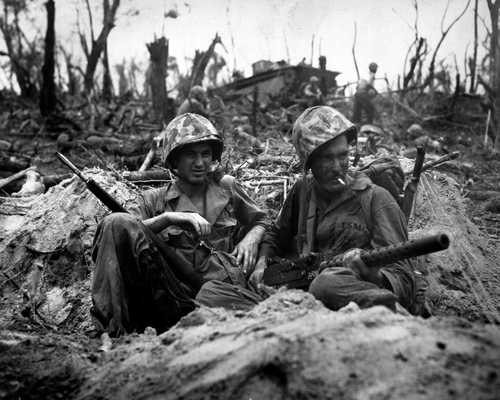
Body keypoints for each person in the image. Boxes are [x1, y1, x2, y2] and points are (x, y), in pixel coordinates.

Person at [91, 113, 267, 336]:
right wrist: (168, 218)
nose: (200, 162)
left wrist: (252, 238)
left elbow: (263, 220)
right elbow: (119, 229)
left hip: (218, 294)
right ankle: (110, 331)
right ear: (174, 161)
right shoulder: (154, 200)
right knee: (115, 221)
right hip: (169, 299)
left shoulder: (227, 187)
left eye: (205, 154)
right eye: (191, 155)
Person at [253, 106, 416, 312]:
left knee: (326, 284)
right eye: (327, 158)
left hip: (349, 294)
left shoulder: (376, 199)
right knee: (215, 291)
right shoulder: (303, 190)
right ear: (309, 162)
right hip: (299, 293)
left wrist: (374, 274)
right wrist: (261, 263)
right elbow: (277, 234)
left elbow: (405, 279)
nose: (338, 166)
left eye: (343, 155)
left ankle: (389, 313)